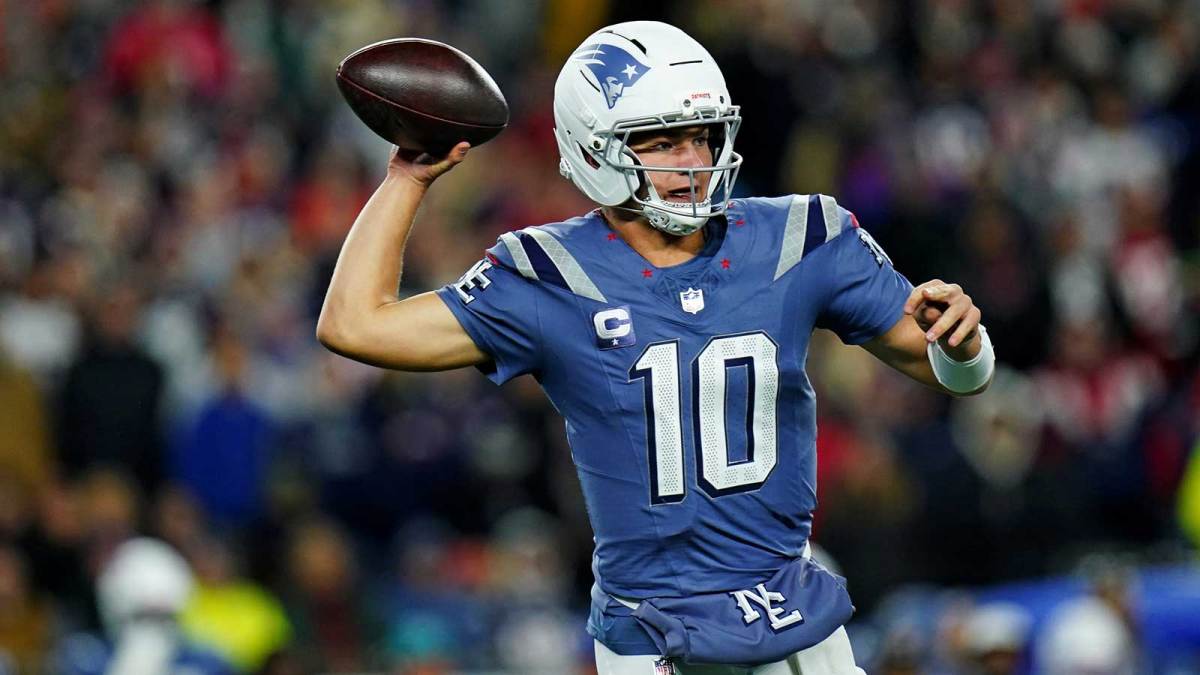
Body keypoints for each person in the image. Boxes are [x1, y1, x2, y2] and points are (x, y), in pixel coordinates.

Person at [318, 20, 994, 675]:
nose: (694, 161)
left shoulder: (797, 237)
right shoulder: (551, 274)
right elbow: (354, 325)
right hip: (655, 631)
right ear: (594, 149)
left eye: (702, 138)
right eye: (663, 142)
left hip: (788, 611)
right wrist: (407, 180)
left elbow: (956, 374)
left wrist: (964, 344)